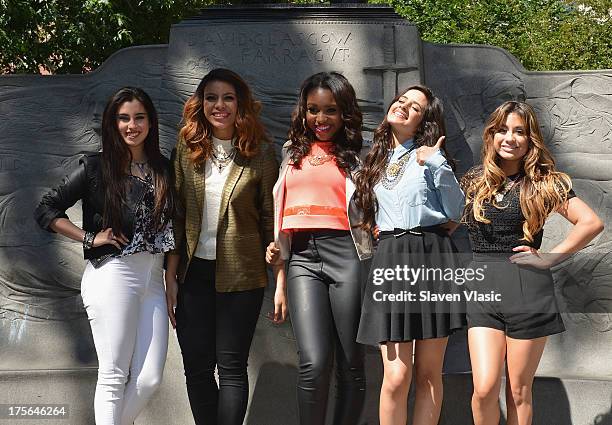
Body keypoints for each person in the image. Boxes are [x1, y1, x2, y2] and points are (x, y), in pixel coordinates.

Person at [35, 87, 175, 425]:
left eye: (139, 117)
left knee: (149, 379)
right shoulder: (95, 167)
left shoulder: (164, 167)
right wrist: (88, 237)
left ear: (151, 122)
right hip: (113, 274)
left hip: (154, 280)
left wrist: (171, 278)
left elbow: (176, 227)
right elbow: (46, 208)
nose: (132, 125)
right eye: (123, 118)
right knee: (113, 375)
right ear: (112, 124)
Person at [461, 101, 604, 425]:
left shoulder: (544, 182)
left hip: (528, 292)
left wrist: (550, 257)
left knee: (518, 391)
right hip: (483, 292)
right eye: (502, 130)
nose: (510, 138)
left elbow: (591, 222)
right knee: (483, 389)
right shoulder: (474, 180)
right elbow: (443, 220)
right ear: (492, 135)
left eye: (519, 131)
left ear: (530, 139)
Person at [164, 68, 284, 425]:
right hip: (192, 274)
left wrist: (279, 276)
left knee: (231, 368)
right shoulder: (186, 151)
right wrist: (171, 276)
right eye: (211, 97)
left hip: (243, 276)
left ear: (240, 104)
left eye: (228, 98)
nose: (219, 105)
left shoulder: (261, 153)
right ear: (201, 104)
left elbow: (270, 219)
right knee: (197, 369)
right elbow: (176, 215)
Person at [354, 85, 466, 425]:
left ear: (423, 121)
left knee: (429, 374)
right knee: (396, 377)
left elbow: (456, 210)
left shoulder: (433, 157)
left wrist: (436, 163)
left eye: (414, 106)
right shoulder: (373, 158)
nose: (403, 106)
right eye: (401, 100)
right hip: (390, 258)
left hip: (432, 256)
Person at [265, 71, 372, 425]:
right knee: (313, 361)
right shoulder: (290, 152)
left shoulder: (358, 157)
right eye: (313, 110)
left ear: (344, 114)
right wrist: (279, 271)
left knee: (350, 362)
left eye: (330, 111)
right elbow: (282, 215)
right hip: (302, 259)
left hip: (346, 255)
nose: (320, 119)